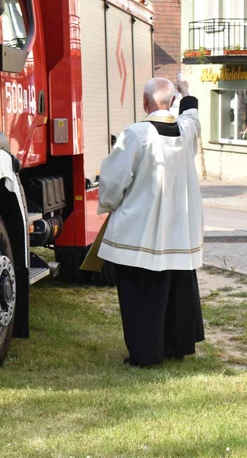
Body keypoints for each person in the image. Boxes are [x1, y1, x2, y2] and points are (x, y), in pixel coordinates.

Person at [97, 76, 204, 367]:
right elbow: (192, 114)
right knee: (177, 289)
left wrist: (109, 203)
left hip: (140, 230)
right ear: (171, 102)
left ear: (144, 102)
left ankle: (145, 354)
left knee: (140, 294)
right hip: (179, 232)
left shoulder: (136, 134)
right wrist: (186, 93)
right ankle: (176, 346)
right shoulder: (187, 130)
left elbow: (114, 179)